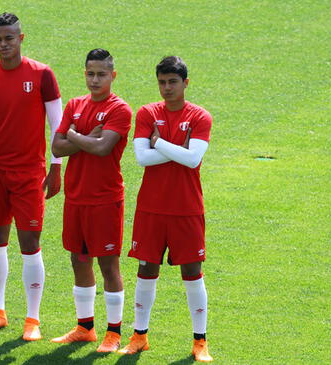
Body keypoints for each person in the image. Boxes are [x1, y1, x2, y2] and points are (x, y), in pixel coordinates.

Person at [0, 12, 63, 341]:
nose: (3, 44)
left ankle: (32, 319)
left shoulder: (42, 75)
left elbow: (58, 125)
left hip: (29, 173)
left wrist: (55, 166)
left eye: (9, 38)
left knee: (30, 243)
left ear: (21, 38)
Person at [120, 56, 213, 362]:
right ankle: (139, 336)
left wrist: (158, 143)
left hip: (186, 208)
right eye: (162, 82)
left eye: (173, 82)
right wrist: (176, 147)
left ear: (186, 83)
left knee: (192, 272)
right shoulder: (147, 112)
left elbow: (192, 160)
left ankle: (200, 341)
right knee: (146, 269)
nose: (166, 88)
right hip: (152, 208)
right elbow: (142, 159)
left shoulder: (200, 116)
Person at [50, 49, 132, 352]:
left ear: (113, 75)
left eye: (100, 74)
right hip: (76, 198)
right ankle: (85, 328)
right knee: (78, 259)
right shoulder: (75, 104)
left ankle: (113, 333)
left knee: (109, 265)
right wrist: (84, 137)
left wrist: (73, 134)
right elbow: (57, 148)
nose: (94, 79)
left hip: (105, 199)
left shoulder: (120, 109)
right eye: (90, 73)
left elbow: (102, 148)